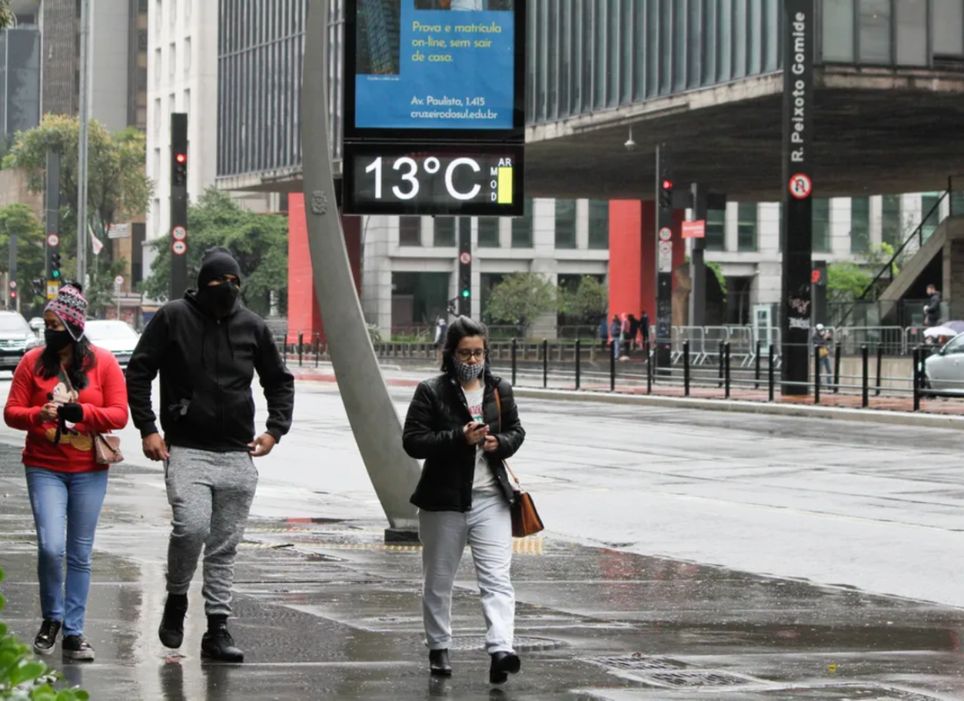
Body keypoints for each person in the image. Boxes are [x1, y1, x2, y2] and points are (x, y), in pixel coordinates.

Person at [126, 247, 295, 663]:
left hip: (238, 453)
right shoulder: (173, 317)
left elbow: (279, 380)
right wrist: (148, 428)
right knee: (191, 527)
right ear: (203, 285)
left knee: (223, 546)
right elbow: (140, 370)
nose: (228, 290)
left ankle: (217, 628)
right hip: (187, 448)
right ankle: (177, 597)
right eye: (220, 284)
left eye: (235, 284)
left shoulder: (253, 326)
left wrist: (274, 431)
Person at [4, 284, 128, 662]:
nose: (48, 330)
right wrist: (35, 415)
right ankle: (52, 618)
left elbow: (120, 415)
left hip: (88, 468)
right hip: (44, 467)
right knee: (50, 546)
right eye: (46, 324)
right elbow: (11, 412)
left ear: (74, 327)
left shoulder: (102, 363)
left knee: (79, 553)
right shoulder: (31, 363)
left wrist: (83, 414)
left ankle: (74, 631)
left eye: (55, 324)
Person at [402, 316, 525, 684]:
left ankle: (501, 649)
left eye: (479, 353)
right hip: (444, 500)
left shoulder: (499, 389)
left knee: (497, 579)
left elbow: (517, 431)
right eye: (465, 353)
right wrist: (459, 437)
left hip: (491, 498)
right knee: (439, 581)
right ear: (450, 353)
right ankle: (439, 647)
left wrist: (498, 443)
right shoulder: (431, 390)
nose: (473, 360)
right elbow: (413, 440)